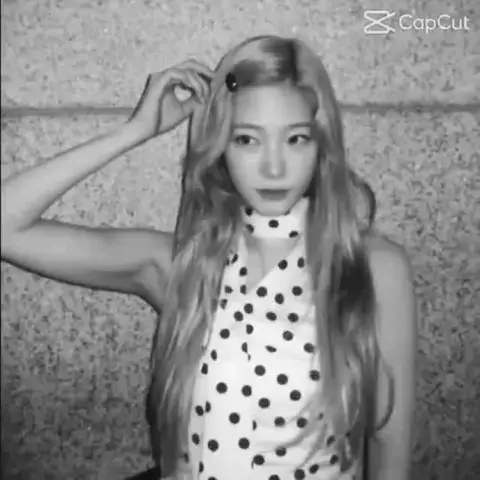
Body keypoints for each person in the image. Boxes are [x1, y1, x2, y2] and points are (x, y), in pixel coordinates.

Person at [1, 35, 417, 480]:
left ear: (321, 145)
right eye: (247, 139)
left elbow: (389, 445)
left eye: (296, 139)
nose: (274, 168)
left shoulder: (371, 267)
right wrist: (133, 132)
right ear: (220, 146)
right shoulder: (186, 264)